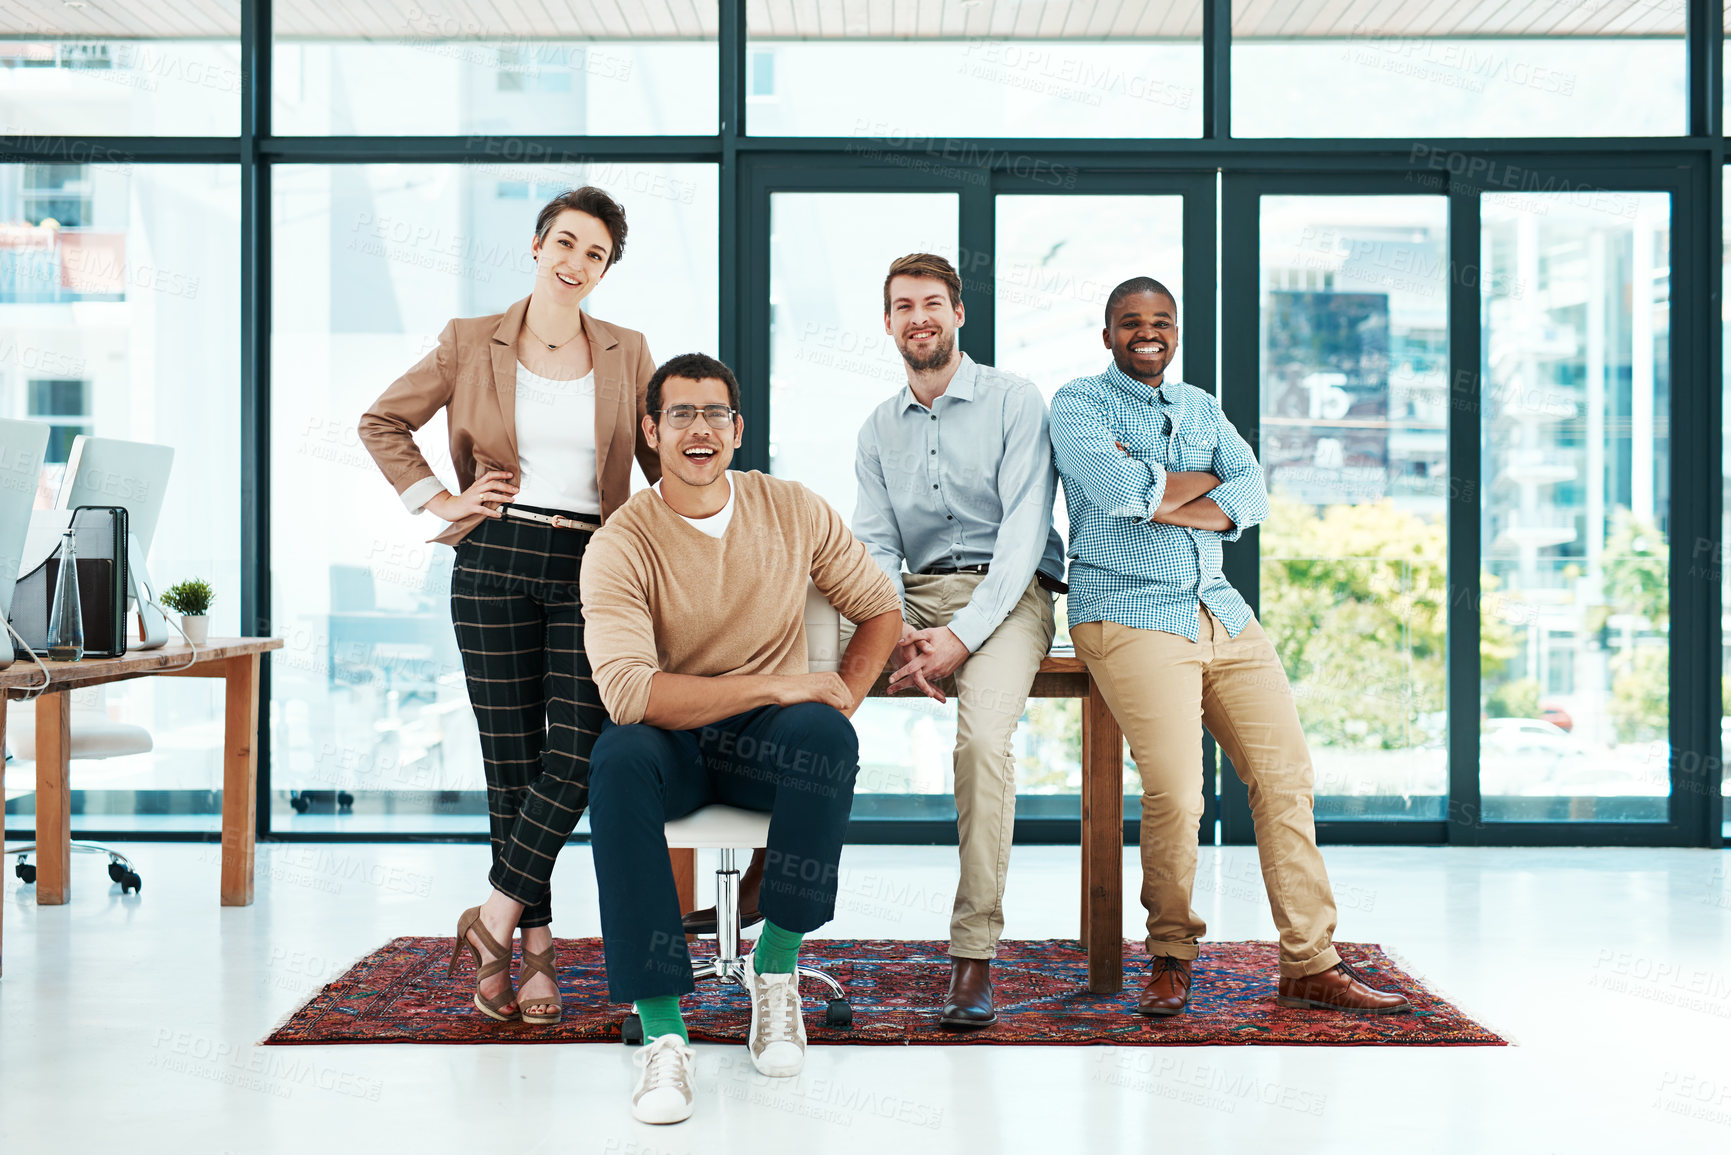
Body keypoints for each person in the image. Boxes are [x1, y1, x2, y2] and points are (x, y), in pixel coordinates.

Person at [1048, 276, 1410, 1018]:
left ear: (1174, 331)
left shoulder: (1199, 405)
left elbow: (1254, 492)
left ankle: (1310, 961)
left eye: (1160, 322)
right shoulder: (1078, 402)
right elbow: (1118, 493)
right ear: (1107, 332)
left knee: (1286, 778)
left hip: (1221, 610)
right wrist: (1197, 488)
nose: (1146, 334)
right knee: (1178, 793)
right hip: (1125, 609)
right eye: (1130, 322)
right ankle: (1171, 955)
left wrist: (1171, 490)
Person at [358, 186, 659, 1026]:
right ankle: (532, 952)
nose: (575, 262)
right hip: (493, 555)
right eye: (564, 243)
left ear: (605, 270)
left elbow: (660, 461)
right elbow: (382, 420)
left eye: (594, 254)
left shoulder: (627, 350)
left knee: (576, 750)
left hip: (592, 562)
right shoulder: (468, 340)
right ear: (536, 246)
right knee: (510, 762)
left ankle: (488, 920)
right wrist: (438, 498)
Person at [579, 352, 902, 1125]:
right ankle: (662, 1034)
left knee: (825, 733)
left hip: (768, 740)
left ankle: (777, 968)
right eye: (680, 414)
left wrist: (839, 696)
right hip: (672, 738)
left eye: (715, 413)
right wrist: (781, 683)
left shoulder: (791, 507)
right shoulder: (621, 543)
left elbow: (879, 608)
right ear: (651, 431)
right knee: (616, 760)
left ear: (738, 429)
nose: (700, 429)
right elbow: (630, 692)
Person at [847, 252, 1064, 1028]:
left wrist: (959, 639)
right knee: (793, 643)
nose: (918, 317)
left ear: (958, 313)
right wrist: (893, 624)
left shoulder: (1014, 401)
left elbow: (1021, 537)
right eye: (902, 305)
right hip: (910, 597)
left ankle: (973, 954)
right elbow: (871, 542)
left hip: (1006, 599)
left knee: (981, 743)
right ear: (887, 323)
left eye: (931, 302)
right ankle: (762, 876)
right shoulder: (877, 426)